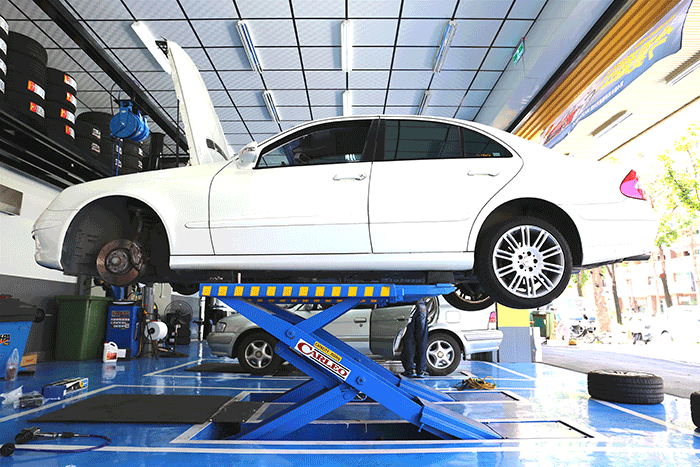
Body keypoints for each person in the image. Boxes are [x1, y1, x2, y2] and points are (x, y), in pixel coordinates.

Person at [401, 297, 432, 378]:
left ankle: (410, 370)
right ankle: (421, 370)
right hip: (421, 306)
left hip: (408, 306)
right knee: (422, 340)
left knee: (409, 339)